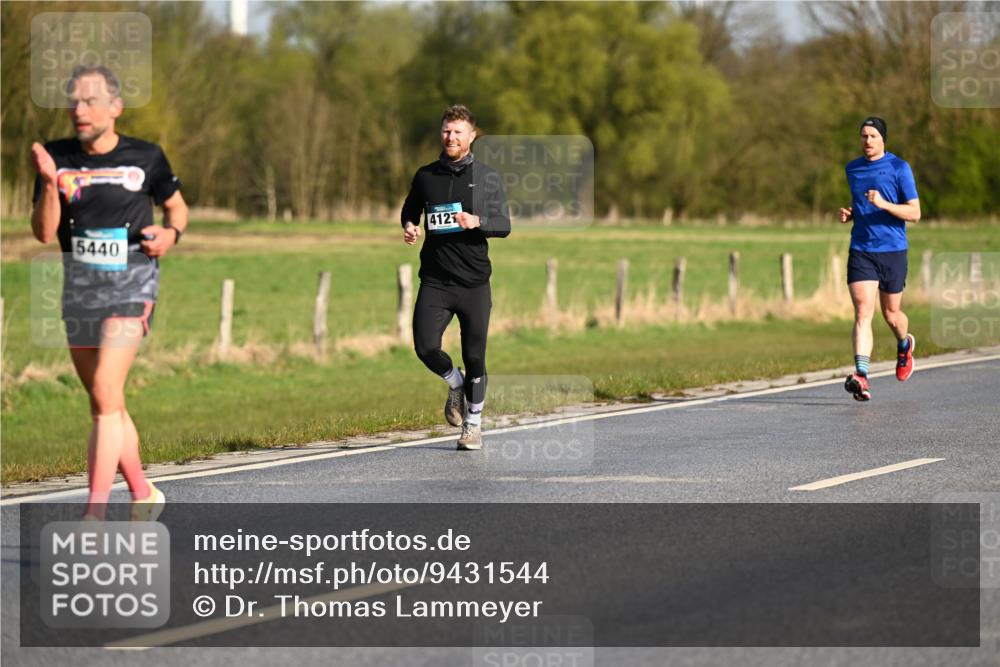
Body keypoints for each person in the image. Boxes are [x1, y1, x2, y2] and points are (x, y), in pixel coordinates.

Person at [31, 65, 188, 519]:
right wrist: (47, 183)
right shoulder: (55, 157)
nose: (79, 110)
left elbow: (177, 207)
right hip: (79, 288)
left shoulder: (147, 157)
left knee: (104, 388)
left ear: (115, 107)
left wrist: (171, 235)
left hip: (133, 283)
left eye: (90, 101)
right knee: (106, 401)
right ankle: (144, 493)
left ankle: (93, 517)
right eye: (73, 102)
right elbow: (44, 233)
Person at [401, 105, 511, 450]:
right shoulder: (425, 176)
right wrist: (409, 224)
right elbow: (411, 208)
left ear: (471, 136)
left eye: (458, 132)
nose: (451, 137)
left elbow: (504, 224)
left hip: (474, 283)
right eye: (447, 131)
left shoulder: (488, 177)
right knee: (425, 347)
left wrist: (477, 222)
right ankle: (455, 382)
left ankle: (473, 424)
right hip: (435, 279)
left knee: (476, 356)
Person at [838, 116, 920, 401]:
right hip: (862, 249)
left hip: (893, 250)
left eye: (873, 136)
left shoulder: (899, 168)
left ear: (883, 139)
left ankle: (903, 344)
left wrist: (883, 204)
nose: (867, 141)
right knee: (863, 311)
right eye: (863, 136)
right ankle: (862, 375)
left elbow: (915, 213)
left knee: (891, 315)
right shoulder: (853, 169)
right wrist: (851, 213)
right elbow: (862, 205)